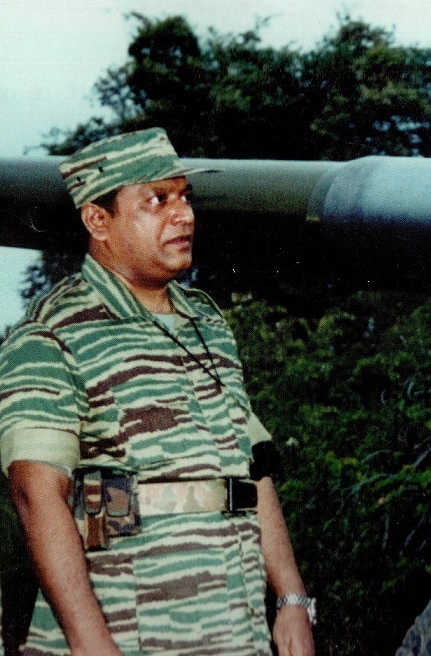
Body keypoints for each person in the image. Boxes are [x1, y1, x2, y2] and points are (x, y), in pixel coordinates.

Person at [0, 128, 315, 655]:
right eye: (157, 200)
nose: (183, 215)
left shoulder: (207, 323)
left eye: (185, 197)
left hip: (236, 622)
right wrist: (91, 644)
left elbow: (251, 469)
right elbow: (37, 496)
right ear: (98, 221)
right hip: (134, 625)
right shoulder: (51, 335)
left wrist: (291, 599)